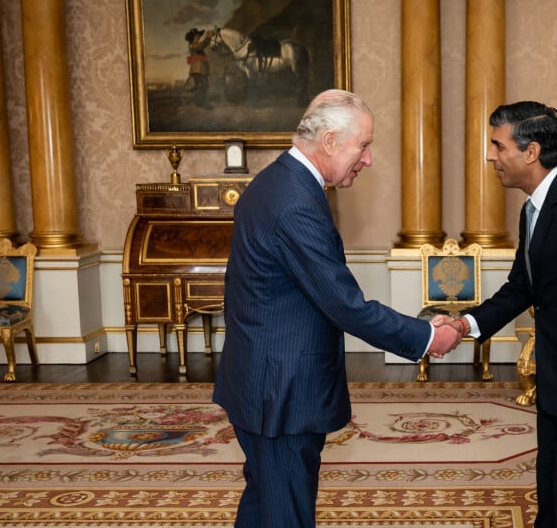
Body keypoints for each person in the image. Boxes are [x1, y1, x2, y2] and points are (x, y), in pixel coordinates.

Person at [212, 89, 462, 528]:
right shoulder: (294, 203)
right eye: (363, 145)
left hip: (262, 381)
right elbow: (344, 305)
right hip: (281, 393)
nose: (367, 159)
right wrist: (427, 336)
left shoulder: (277, 181)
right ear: (329, 141)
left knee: (265, 503)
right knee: (286, 513)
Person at [432, 101, 557, 528]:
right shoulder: (532, 208)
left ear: (531, 151)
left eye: (496, 145)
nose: (489, 156)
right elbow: (522, 288)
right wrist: (465, 324)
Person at [184, 27, 213, 109]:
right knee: (202, 86)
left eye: (198, 35)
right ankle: (204, 104)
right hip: (198, 69)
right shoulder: (193, 45)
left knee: (201, 86)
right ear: (192, 37)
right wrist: (208, 37)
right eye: (196, 36)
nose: (198, 37)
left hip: (200, 69)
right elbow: (202, 45)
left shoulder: (195, 44)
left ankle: (200, 103)